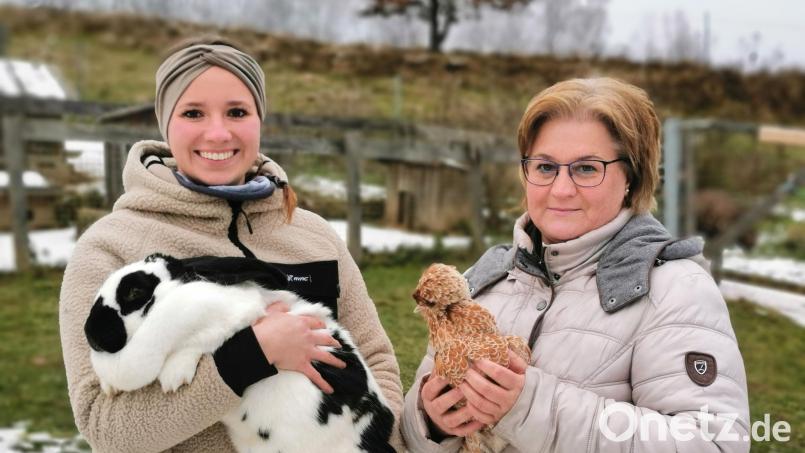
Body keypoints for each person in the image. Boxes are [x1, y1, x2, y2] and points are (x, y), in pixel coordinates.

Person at [59, 36, 404, 452]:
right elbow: (106, 426)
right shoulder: (111, 249)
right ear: (166, 124)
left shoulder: (314, 237)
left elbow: (378, 364)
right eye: (193, 113)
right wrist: (250, 357)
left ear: (260, 120)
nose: (218, 132)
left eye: (237, 111)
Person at [401, 77, 750, 452]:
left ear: (631, 176)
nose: (561, 189)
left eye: (586, 169)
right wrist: (430, 423)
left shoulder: (675, 289)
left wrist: (532, 407)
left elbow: (714, 443)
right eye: (545, 167)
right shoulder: (487, 280)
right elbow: (406, 438)